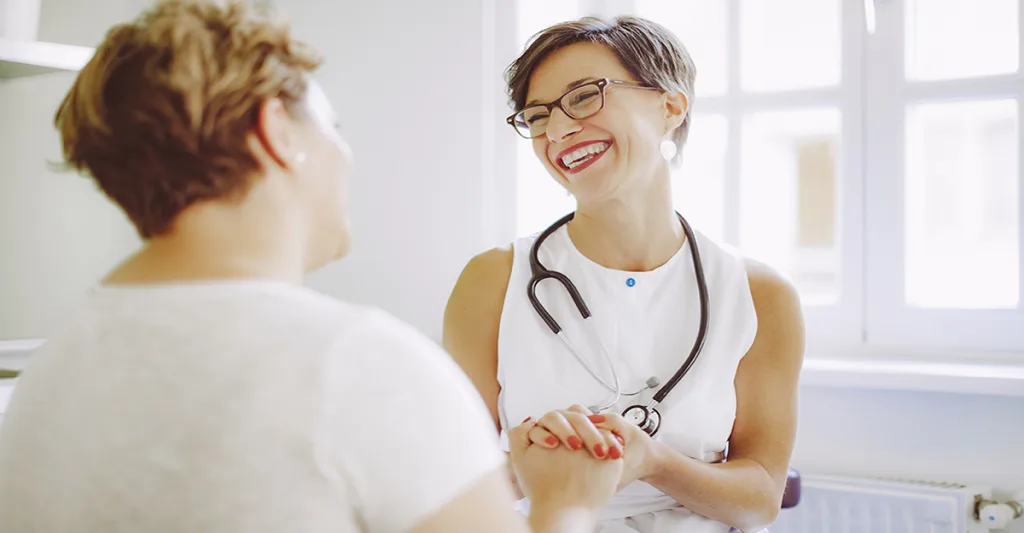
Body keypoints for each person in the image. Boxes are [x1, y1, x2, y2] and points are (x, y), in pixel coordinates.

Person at [0, 2, 625, 532]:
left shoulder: (47, 375)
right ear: (276, 130)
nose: (345, 155)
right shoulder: (357, 364)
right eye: (334, 127)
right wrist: (565, 505)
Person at [443, 16, 806, 533]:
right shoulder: (493, 281)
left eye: (585, 96)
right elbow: (453, 487)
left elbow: (760, 500)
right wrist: (539, 469)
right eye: (538, 115)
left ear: (671, 106)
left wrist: (654, 461)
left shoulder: (760, 295)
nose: (560, 129)